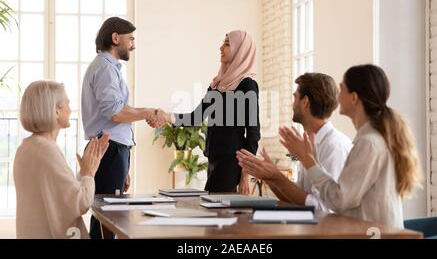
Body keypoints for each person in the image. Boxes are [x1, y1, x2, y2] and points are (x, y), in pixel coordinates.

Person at [273, 64, 422, 228]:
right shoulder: (369, 139)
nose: (337, 96)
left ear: (354, 98)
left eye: (342, 88)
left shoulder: (369, 143)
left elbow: (339, 200)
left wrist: (309, 162)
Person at [150, 30, 260, 193]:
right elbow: (196, 117)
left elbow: (253, 133)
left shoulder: (247, 85)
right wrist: (167, 116)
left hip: (231, 162)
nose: (221, 48)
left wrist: (245, 174)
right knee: (220, 212)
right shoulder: (218, 85)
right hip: (214, 159)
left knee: (215, 210)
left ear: (240, 50)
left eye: (227, 44)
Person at [81, 17, 159, 239]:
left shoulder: (109, 68)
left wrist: (124, 166)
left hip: (113, 149)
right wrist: (148, 113)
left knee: (107, 214)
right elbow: (115, 113)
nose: (134, 45)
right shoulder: (105, 69)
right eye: (131, 39)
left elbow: (118, 110)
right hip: (110, 149)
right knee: (109, 214)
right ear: (115, 38)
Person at [236, 73, 352, 211]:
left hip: (326, 230)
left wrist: (276, 176)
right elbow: (295, 198)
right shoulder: (310, 143)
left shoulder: (334, 147)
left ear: (305, 102)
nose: (292, 104)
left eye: (295, 97)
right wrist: (268, 177)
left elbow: (323, 208)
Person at [14, 81, 110, 239]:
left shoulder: (26, 148)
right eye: (67, 103)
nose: (70, 109)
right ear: (56, 111)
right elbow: (80, 202)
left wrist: (83, 173)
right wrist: (88, 173)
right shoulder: (47, 151)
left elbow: (59, 194)